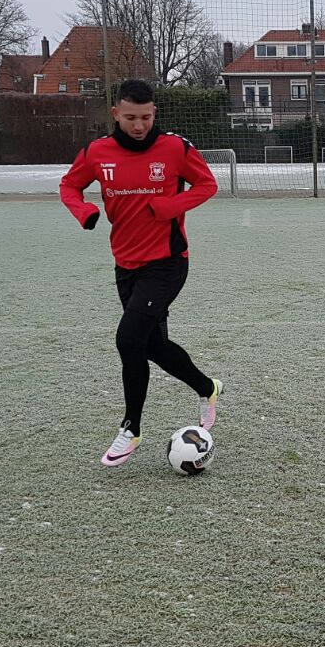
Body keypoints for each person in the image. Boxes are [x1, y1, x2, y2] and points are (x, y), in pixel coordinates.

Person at [60, 79, 223, 468]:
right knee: (151, 345)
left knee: (129, 339)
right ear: (116, 113)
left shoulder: (175, 148)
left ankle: (131, 429)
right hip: (126, 264)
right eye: (131, 117)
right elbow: (70, 186)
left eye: (146, 117)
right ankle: (206, 386)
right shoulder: (97, 152)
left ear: (155, 114)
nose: (139, 125)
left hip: (167, 261)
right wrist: (85, 212)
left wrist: (169, 207)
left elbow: (207, 184)